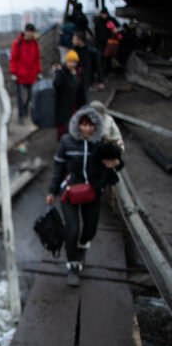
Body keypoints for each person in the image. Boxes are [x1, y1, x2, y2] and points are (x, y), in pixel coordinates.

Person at [46, 106, 123, 286]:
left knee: (90, 230)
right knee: (72, 230)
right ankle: (73, 265)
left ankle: (82, 245)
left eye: (91, 125)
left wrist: (116, 162)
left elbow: (118, 165)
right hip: (70, 191)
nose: (87, 129)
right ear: (78, 125)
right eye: (83, 125)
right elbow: (58, 169)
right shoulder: (67, 142)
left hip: (93, 192)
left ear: (96, 126)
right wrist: (52, 191)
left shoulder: (101, 143)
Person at [9, 23, 42, 125]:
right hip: (20, 75)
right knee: (20, 97)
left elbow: (37, 58)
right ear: (25, 31)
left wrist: (38, 71)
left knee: (31, 96)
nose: (30, 36)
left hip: (31, 75)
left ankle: (25, 109)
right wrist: (13, 72)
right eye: (29, 33)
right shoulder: (17, 43)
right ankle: (20, 116)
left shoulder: (34, 43)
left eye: (32, 34)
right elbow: (13, 59)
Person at [53, 49, 83, 142]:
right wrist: (58, 72)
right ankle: (62, 144)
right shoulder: (62, 73)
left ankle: (74, 141)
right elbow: (57, 84)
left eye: (74, 62)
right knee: (62, 126)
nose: (72, 64)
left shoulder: (78, 73)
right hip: (63, 103)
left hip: (74, 102)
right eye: (70, 62)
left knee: (75, 122)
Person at [72, 31, 105, 104]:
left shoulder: (92, 51)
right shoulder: (75, 49)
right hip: (77, 76)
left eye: (74, 39)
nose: (72, 41)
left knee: (84, 97)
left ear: (80, 40)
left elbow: (98, 66)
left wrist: (100, 81)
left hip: (87, 77)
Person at [94, 7, 120, 75]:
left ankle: (107, 71)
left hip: (109, 43)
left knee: (108, 58)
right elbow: (96, 31)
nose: (104, 15)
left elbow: (119, 27)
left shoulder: (111, 20)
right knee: (100, 58)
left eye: (105, 14)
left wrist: (115, 30)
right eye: (103, 14)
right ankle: (101, 72)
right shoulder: (98, 21)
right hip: (100, 42)